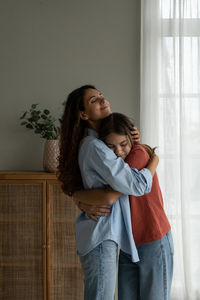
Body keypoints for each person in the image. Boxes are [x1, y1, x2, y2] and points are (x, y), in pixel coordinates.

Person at [58, 84, 159, 300]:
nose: (103, 101)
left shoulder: (101, 142)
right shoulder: (95, 147)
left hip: (102, 232)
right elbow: (137, 185)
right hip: (101, 233)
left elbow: (113, 180)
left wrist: (136, 143)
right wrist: (154, 159)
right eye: (94, 100)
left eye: (102, 96)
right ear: (83, 114)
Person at [98, 112, 174, 300]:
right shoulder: (113, 163)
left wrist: (82, 198)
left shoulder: (138, 153)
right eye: (111, 146)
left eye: (123, 144)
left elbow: (115, 189)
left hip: (153, 240)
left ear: (131, 139)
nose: (118, 152)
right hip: (127, 245)